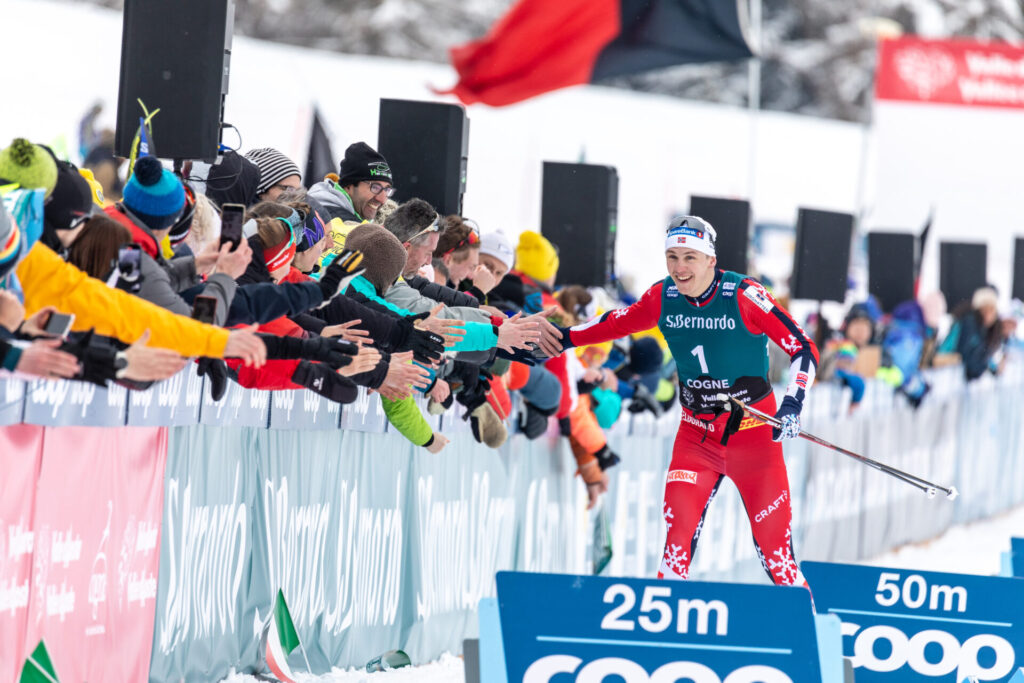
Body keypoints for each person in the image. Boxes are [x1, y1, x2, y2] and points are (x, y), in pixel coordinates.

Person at [556, 216, 819, 585]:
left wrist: (793, 402)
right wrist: (562, 337)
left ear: (711, 260)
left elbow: (802, 346)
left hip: (755, 437)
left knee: (778, 559)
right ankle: (665, 634)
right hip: (697, 437)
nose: (679, 268)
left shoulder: (744, 295)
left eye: (690, 258)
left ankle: (808, 633)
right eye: (672, 257)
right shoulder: (661, 298)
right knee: (676, 544)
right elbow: (613, 324)